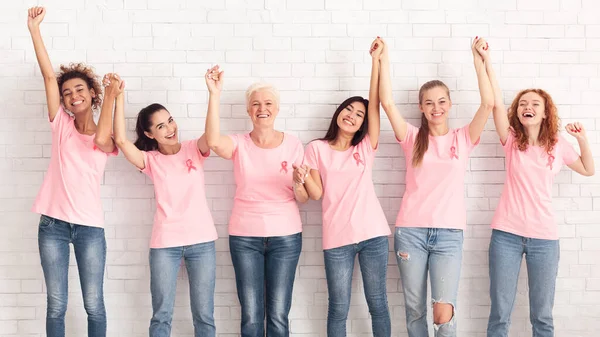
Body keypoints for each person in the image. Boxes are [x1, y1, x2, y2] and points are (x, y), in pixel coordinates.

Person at [379, 37, 494, 337]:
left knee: (443, 312)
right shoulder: (412, 137)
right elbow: (387, 103)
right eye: (429, 102)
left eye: (442, 101)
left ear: (450, 103)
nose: (436, 107)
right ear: (421, 107)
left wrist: (478, 60)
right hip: (411, 233)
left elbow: (488, 104)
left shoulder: (463, 138)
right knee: (415, 310)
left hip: (449, 235)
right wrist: (383, 58)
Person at [485, 64, 595, 336]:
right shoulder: (511, 140)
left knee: (542, 315)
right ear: (518, 112)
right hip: (506, 235)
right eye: (523, 103)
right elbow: (496, 104)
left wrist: (582, 139)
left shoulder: (557, 144)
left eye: (535, 103)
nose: (527, 106)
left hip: (545, 239)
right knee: (500, 313)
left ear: (545, 112)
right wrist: (486, 62)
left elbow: (588, 169)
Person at [28, 6, 118, 337]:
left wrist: (110, 94)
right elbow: (50, 77)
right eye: (68, 93)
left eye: (79, 89)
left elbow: (104, 136)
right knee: (56, 304)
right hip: (52, 225)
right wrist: (35, 31)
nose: (72, 95)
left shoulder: (104, 137)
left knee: (94, 304)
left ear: (91, 94)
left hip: (90, 228)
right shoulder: (61, 127)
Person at [108, 73, 218, 337]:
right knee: (161, 316)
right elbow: (121, 141)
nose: (170, 129)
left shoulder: (194, 149)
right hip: (164, 244)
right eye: (160, 127)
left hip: (202, 242)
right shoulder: (150, 160)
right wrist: (118, 97)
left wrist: (214, 94)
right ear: (149, 133)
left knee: (204, 316)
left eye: (170, 121)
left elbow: (212, 137)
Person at [204, 65, 307, 337]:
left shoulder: (294, 143)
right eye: (256, 104)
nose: (263, 108)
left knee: (278, 315)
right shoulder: (238, 143)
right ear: (249, 111)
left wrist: (298, 183)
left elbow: (304, 196)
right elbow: (213, 141)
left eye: (268, 103)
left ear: (277, 108)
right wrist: (214, 94)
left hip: (286, 237)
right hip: (244, 237)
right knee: (250, 315)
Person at [300, 37, 391, 337]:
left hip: (373, 235)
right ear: (339, 112)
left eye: (359, 115)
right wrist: (299, 178)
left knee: (377, 303)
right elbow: (317, 194)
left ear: (363, 124)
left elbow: (376, 103)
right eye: (349, 110)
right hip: (337, 239)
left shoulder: (365, 148)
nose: (352, 115)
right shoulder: (315, 148)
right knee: (338, 307)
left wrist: (377, 62)